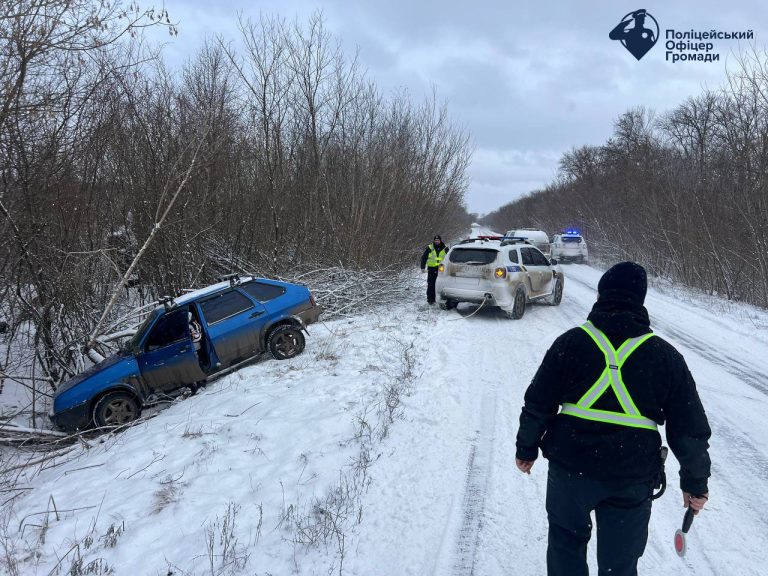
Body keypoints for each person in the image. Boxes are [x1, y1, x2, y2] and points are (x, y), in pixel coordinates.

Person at [515, 262, 711, 576]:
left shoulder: (570, 343)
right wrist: (695, 483)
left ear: (601, 294)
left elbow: (538, 403)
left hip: (570, 471)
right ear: (640, 300)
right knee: (619, 565)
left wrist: (526, 449)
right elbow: (689, 430)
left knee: (566, 546)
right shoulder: (665, 357)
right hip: (630, 477)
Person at [420, 235, 447, 305]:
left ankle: (439, 298)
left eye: (438, 240)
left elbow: (449, 258)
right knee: (431, 284)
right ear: (434, 241)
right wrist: (422, 267)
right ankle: (430, 299)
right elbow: (424, 258)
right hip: (431, 268)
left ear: (440, 240)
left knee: (439, 284)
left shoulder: (445, 248)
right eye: (435, 240)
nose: (437, 242)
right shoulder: (430, 247)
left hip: (441, 268)